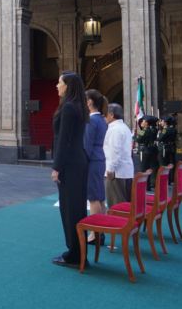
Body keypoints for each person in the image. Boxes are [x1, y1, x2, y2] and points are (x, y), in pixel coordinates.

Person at [50, 71, 90, 269]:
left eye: (60, 83)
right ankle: (80, 251)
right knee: (78, 208)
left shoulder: (68, 107)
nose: (57, 86)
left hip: (69, 164)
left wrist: (56, 168)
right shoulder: (80, 106)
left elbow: (64, 140)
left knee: (69, 210)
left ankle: (74, 254)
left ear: (68, 86)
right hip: (79, 161)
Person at [83, 89, 108, 245]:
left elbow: (86, 145)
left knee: (93, 198)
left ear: (89, 102)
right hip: (100, 158)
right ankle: (101, 231)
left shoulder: (91, 120)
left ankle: (94, 233)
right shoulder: (101, 119)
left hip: (92, 160)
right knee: (100, 197)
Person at [104, 104, 135, 207]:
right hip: (125, 170)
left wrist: (110, 169)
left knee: (116, 205)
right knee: (125, 203)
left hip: (117, 172)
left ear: (111, 115)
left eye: (105, 114)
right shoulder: (124, 127)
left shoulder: (114, 129)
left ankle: (119, 223)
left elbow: (114, 150)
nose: (104, 117)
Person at [135, 115, 159, 191]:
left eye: (144, 121)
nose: (142, 122)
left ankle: (145, 185)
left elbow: (139, 139)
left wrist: (133, 136)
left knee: (144, 168)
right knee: (150, 167)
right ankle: (150, 183)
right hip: (150, 149)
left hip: (145, 150)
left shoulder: (145, 131)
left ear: (147, 123)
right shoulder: (153, 130)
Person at [158, 115, 178, 184]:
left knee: (164, 163)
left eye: (162, 121)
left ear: (166, 122)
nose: (161, 123)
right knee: (171, 163)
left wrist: (159, 135)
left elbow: (160, 138)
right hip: (171, 146)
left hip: (165, 147)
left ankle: (166, 179)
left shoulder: (165, 130)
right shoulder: (173, 129)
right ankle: (171, 178)